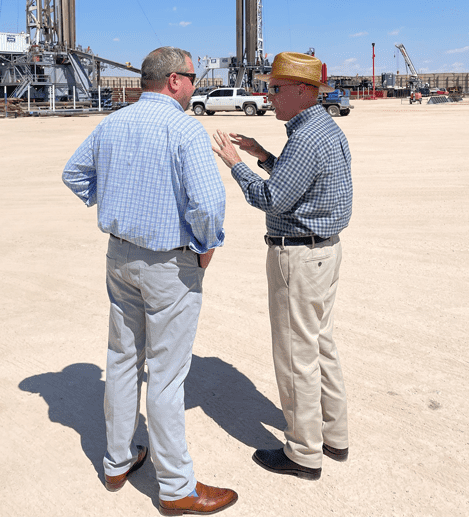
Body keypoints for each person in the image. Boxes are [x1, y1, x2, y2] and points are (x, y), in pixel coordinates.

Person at [62, 46, 238, 515]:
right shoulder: (185, 130)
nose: (196, 86)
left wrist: (113, 199)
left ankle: (117, 461)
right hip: (168, 266)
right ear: (175, 81)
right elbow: (207, 204)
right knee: (165, 373)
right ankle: (177, 487)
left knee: (121, 359)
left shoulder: (113, 122)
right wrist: (207, 244)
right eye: (194, 78)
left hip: (119, 255)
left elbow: (74, 174)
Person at [212, 52, 352, 481]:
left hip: (299, 256)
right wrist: (262, 155)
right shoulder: (323, 128)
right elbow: (303, 185)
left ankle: (303, 453)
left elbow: (272, 199)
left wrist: (236, 166)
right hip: (323, 251)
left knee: (296, 355)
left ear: (302, 90)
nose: (269, 96)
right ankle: (334, 436)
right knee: (319, 343)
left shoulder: (307, 137)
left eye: (275, 89)